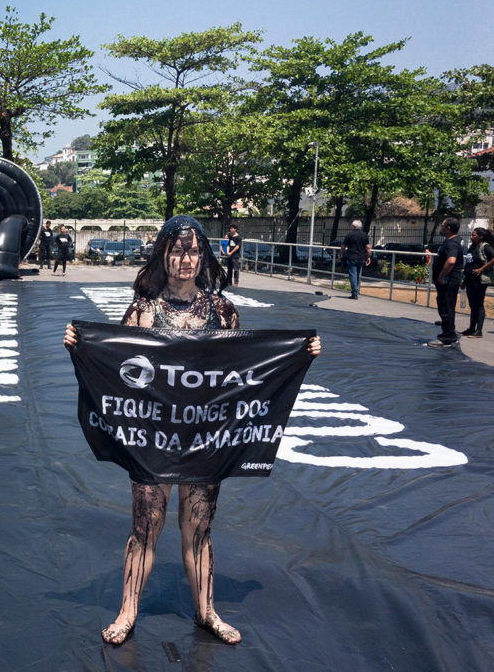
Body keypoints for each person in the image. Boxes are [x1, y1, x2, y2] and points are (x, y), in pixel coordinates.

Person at [63, 215, 321, 647]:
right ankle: (127, 611)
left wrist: (301, 353)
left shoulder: (221, 310)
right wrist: (81, 344)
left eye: (195, 251)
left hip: (205, 438)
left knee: (199, 527)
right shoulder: (144, 311)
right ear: (164, 253)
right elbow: (118, 365)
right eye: (179, 250)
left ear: (204, 256)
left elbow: (247, 366)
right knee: (147, 525)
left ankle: (206, 611)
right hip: (154, 439)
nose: (187, 259)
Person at [431, 217, 465, 347]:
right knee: (444, 306)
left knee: (446, 307)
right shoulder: (454, 240)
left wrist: (441, 276)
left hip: (448, 281)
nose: (441, 228)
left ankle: (447, 337)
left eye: (442, 226)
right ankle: (450, 332)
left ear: (448, 228)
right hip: (449, 280)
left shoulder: (452, 243)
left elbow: (451, 261)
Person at [461, 226, 494, 339]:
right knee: (472, 304)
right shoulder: (472, 247)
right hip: (470, 279)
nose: (471, 236)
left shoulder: (485, 247)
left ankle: (478, 331)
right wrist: (464, 280)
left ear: (481, 237)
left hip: (480, 280)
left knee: (478, 304)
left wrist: (481, 269)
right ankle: (471, 328)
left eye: (474, 235)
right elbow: (469, 263)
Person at [338, 220, 371, 299]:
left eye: (351, 225)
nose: (350, 227)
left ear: (354, 226)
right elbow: (368, 247)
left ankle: (354, 292)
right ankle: (356, 291)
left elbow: (343, 247)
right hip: (361, 258)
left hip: (351, 257)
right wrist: (368, 257)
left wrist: (340, 255)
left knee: (352, 275)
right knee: (357, 275)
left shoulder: (349, 235)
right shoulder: (364, 235)